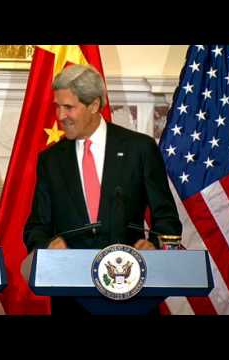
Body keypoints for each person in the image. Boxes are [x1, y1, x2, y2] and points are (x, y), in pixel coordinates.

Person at [24, 64, 182, 314]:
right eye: (57, 106)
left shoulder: (139, 149)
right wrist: (48, 245)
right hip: (72, 296)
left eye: (69, 107)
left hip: (131, 291)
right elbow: (36, 227)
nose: (60, 115)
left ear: (95, 105)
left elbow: (168, 220)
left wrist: (152, 243)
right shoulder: (51, 159)